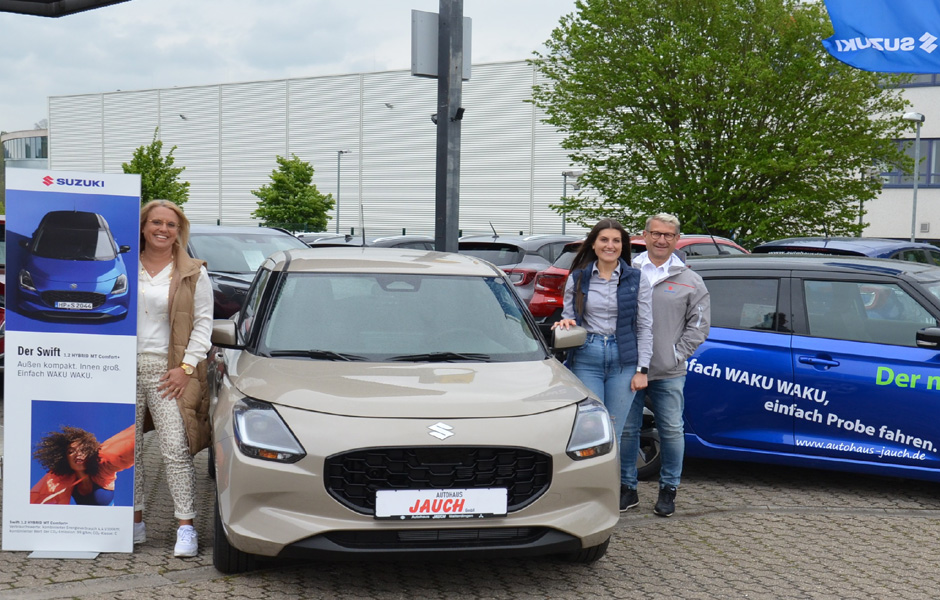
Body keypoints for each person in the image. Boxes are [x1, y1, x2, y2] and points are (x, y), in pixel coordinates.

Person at [552, 218, 652, 511]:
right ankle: (588, 494)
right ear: (593, 244)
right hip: (587, 357)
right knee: (591, 430)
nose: (610, 246)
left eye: (616, 241)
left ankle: (613, 491)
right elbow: (569, 317)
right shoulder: (579, 278)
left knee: (615, 430)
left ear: (623, 246)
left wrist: (642, 370)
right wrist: (566, 322)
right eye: (604, 240)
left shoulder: (636, 278)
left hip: (624, 361)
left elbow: (646, 326)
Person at [134, 199, 213, 557]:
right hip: (120, 369)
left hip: (167, 373)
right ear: (143, 226)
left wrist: (186, 369)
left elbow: (203, 326)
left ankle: (186, 527)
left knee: (175, 450)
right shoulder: (123, 263)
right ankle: (135, 521)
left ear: (179, 230)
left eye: (171, 224)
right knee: (126, 449)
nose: (163, 229)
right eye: (156, 223)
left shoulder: (194, 271)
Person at [620, 213, 710, 517]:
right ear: (644, 236)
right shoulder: (627, 272)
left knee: (671, 430)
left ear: (676, 239)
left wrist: (675, 355)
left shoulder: (690, 279)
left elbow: (699, 327)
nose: (661, 240)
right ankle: (626, 489)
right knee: (628, 431)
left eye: (668, 235)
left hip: (668, 372)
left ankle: (668, 489)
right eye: (656, 234)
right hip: (627, 369)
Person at [31, 424, 135, 506]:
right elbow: (37, 498)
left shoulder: (102, 471)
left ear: (90, 453)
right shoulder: (61, 480)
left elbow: (125, 448)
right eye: (71, 451)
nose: (78, 454)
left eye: (83, 450)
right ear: (64, 458)